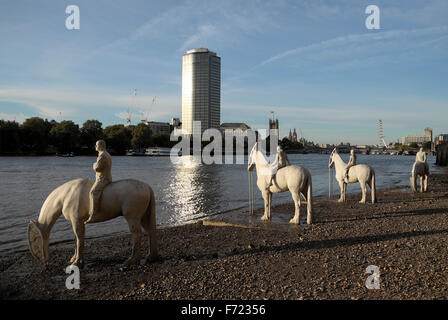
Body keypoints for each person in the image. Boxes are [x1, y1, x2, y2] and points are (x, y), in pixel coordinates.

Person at [85, 140, 112, 224]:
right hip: (106, 177)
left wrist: (93, 164)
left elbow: (97, 168)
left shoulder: (103, 155)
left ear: (100, 145)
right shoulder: (106, 153)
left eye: (96, 145)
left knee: (93, 192)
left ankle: (94, 214)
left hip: (103, 179)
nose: (95, 146)